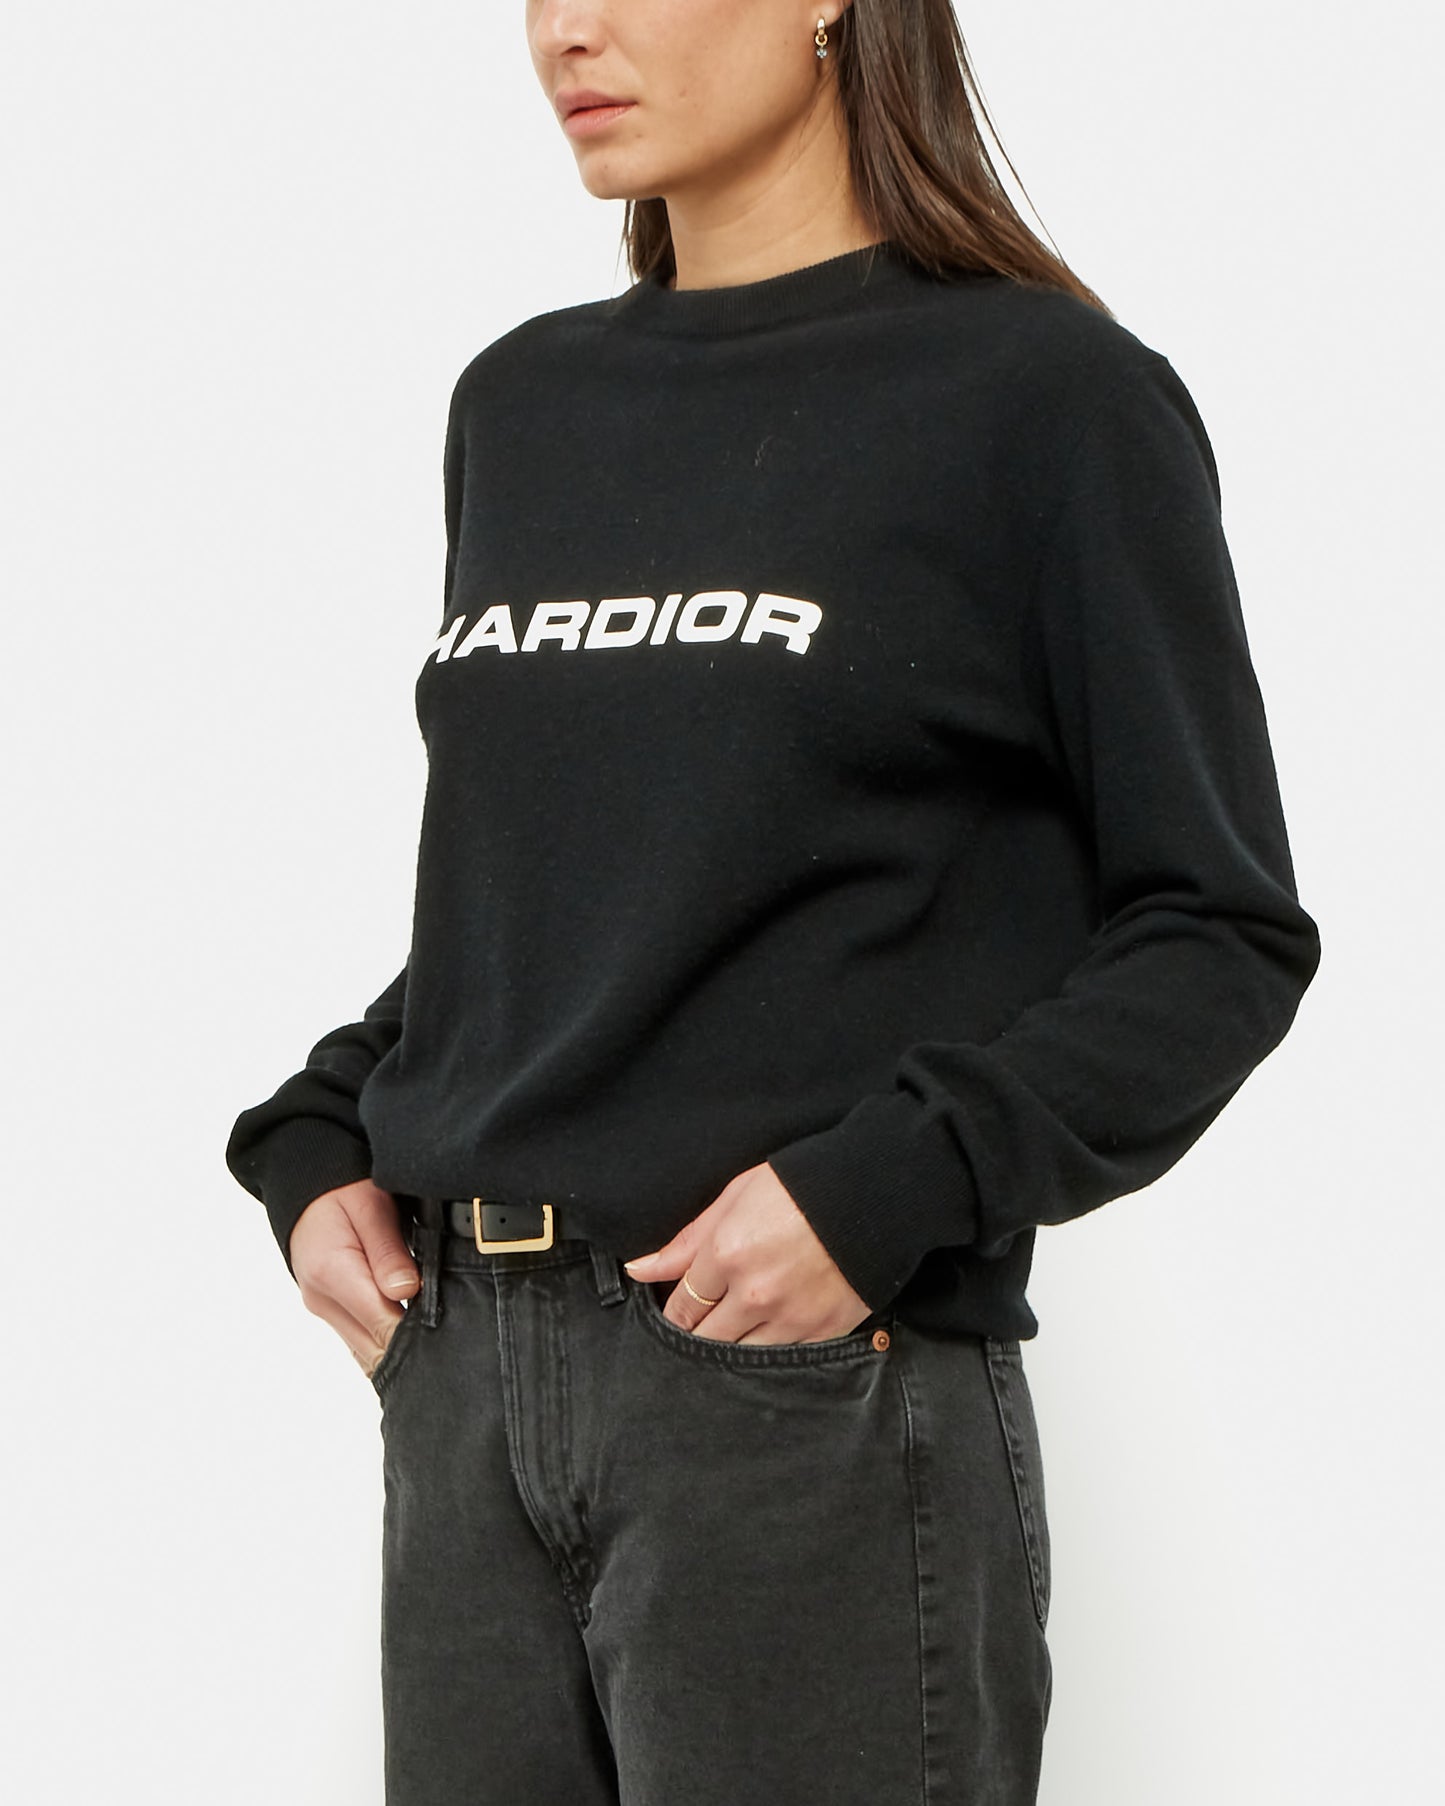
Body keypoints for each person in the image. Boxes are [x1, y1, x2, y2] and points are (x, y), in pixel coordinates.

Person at [225, 5, 1322, 1802]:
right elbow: (567, 900)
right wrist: (322, 1128)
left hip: (798, 1395)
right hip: (462, 1396)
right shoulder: (524, 406)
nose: (567, 29)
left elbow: (1217, 929)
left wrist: (886, 1182)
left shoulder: (1041, 398)